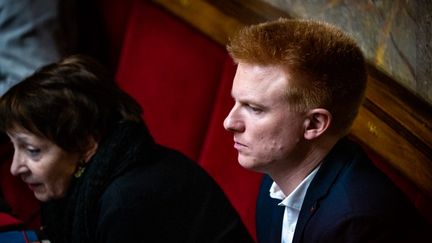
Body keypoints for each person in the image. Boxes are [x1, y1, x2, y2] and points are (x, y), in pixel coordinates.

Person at [0, 55, 254, 243]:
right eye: (15, 147)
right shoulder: (94, 180)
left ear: (86, 144)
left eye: (33, 151)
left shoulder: (127, 202)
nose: (15, 168)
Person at [223, 18, 430, 243]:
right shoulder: (275, 181)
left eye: (254, 108)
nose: (229, 122)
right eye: (236, 102)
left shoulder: (356, 225)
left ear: (314, 124)